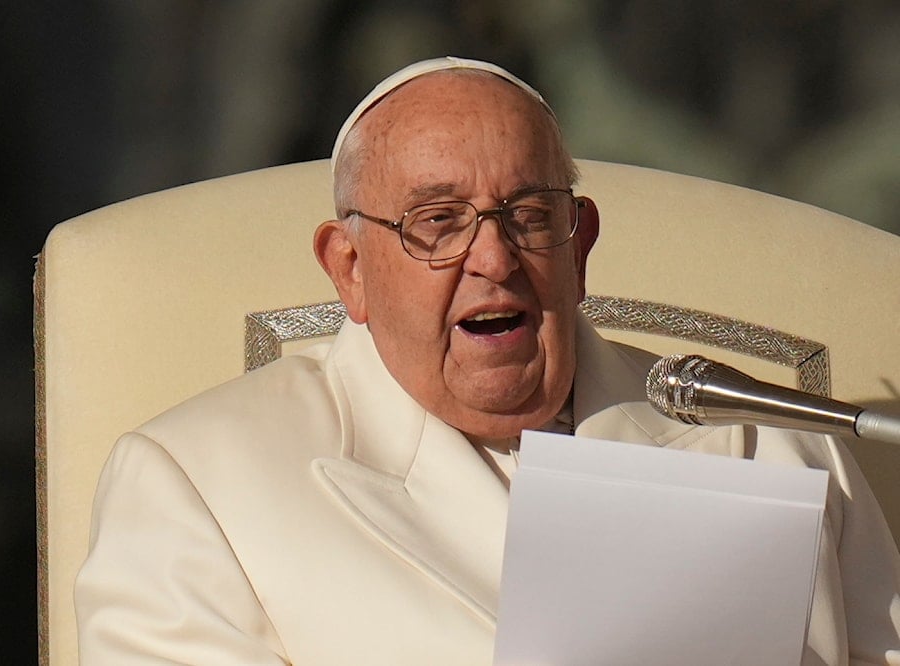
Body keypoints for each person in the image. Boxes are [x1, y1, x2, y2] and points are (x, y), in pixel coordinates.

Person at [74, 57, 900, 665]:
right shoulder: (197, 482)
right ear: (350, 270)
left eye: (529, 216)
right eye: (438, 222)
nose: (494, 259)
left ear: (580, 248)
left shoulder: (769, 439)